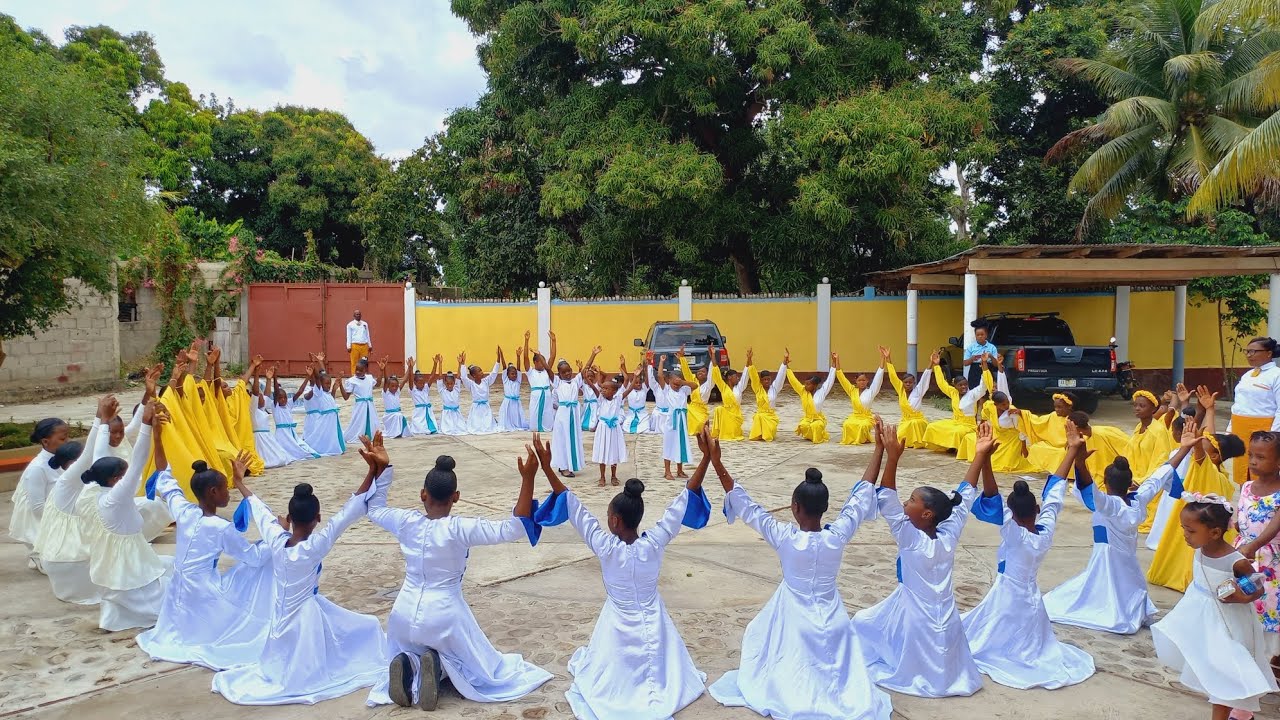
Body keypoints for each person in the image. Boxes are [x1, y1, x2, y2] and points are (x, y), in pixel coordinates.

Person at [708, 423, 892, 719]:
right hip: (833, 615)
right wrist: (880, 449)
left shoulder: (784, 537)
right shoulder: (837, 535)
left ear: (794, 507)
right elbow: (861, 497)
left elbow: (745, 505)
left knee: (767, 641)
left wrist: (717, 463)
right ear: (826, 507)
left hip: (794, 615)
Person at [362, 435, 551, 710]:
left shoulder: (406, 521)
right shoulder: (460, 528)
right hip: (444, 617)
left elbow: (374, 508)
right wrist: (528, 478)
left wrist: (384, 469)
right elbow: (514, 527)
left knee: (418, 643)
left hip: (401, 614)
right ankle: (436, 670)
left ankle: (413, 664)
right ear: (456, 497)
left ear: (422, 494)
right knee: (481, 664)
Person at [535, 425, 711, 720]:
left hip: (617, 624)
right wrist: (705, 459)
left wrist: (545, 467)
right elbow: (684, 500)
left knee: (610, 678)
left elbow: (571, 503)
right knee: (658, 671)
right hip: (655, 623)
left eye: (607, 517)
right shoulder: (654, 543)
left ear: (615, 521)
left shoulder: (606, 547)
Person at [211, 449, 386, 705]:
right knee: (368, 627)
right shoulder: (314, 547)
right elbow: (347, 513)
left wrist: (239, 481)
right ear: (317, 518)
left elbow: (259, 510)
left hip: (280, 618)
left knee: (350, 627)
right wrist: (372, 471)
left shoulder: (276, 541)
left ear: (289, 518)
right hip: (306, 617)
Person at [852, 419, 981, 698]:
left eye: (911, 501)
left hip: (917, 618)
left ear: (926, 515)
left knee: (862, 624)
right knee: (868, 621)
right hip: (946, 619)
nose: (905, 503)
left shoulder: (911, 539)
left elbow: (886, 497)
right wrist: (980, 454)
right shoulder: (947, 535)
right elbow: (965, 497)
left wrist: (892, 457)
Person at [962, 423, 1095, 689]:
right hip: (1031, 593)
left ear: (1011, 512)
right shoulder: (1043, 532)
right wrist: (1071, 451)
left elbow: (992, 497)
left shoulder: (1015, 535)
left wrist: (985, 459)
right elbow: (1054, 495)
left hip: (1009, 592)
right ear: (1036, 508)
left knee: (989, 635)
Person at [1044, 420, 1196, 634]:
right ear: (1130, 482)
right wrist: (1184, 448)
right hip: (1127, 557)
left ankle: (1116, 612)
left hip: (1105, 557)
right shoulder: (1139, 499)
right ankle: (1131, 610)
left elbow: (1088, 488)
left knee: (1100, 589)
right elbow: (1161, 475)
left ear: (1105, 482)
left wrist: (1078, 459)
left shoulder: (1109, 505)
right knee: (1130, 586)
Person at [136, 446, 275, 670]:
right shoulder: (221, 528)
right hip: (204, 591)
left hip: (177, 588)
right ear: (212, 492)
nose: (228, 493)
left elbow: (164, 475)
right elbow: (255, 558)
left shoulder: (183, 511)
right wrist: (278, 537)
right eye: (225, 489)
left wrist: (158, 435)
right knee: (262, 561)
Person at [1151, 495, 1279, 720]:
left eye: (1191, 531)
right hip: (1201, 619)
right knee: (1212, 670)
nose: (1185, 535)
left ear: (1215, 532)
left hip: (1229, 622)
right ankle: (1242, 713)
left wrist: (1241, 596)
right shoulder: (1200, 549)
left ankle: (1232, 712)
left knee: (1226, 676)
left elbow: (1257, 586)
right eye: (1184, 529)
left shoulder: (1235, 560)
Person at [83, 399, 172, 631]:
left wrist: (103, 421)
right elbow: (139, 463)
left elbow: (99, 454)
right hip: (130, 557)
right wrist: (146, 426)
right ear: (116, 480)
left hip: (118, 555)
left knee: (170, 566)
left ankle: (114, 616)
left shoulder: (96, 486)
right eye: (123, 474)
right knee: (159, 596)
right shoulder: (116, 497)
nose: (128, 475)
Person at [1149, 386, 1245, 592]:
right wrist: (1209, 411)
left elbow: (1204, 444)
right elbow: (1209, 439)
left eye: (1201, 447)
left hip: (1201, 524)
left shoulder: (1206, 468)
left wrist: (1197, 442)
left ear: (1215, 456)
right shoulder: (1218, 470)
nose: (1196, 448)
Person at [34, 401, 106, 605]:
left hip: (63, 560)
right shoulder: (67, 481)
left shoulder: (77, 481)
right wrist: (100, 419)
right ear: (73, 465)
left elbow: (97, 457)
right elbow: (92, 452)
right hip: (69, 560)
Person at [1234, 429, 1280, 684]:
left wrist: (1254, 545)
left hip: (1271, 563)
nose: (1252, 461)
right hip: (1244, 557)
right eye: (1251, 455)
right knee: (1245, 609)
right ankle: (1248, 663)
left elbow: (1275, 525)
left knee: (1269, 612)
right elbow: (1242, 516)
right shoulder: (1247, 487)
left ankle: (1269, 665)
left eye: (1261, 457)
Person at [10, 416, 69, 569]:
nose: (67, 442)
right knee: (58, 567)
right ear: (45, 442)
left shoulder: (63, 459)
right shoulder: (37, 468)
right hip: (40, 522)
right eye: (63, 438)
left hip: (56, 514)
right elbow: (37, 510)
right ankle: (36, 554)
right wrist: (64, 521)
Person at [1228, 337, 1280, 485]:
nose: (1249, 355)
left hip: (1264, 429)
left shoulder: (1277, 375)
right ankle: (1246, 501)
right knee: (1242, 468)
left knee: (1263, 467)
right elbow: (1239, 403)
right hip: (1240, 428)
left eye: (1253, 351)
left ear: (1268, 353)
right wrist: (1230, 428)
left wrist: (1273, 435)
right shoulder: (1247, 375)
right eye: (1247, 351)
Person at [923, 352, 991, 453]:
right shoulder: (953, 392)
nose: (964, 387)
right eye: (960, 385)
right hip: (955, 422)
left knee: (956, 432)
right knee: (932, 427)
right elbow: (941, 383)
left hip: (969, 425)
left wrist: (984, 365)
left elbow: (984, 385)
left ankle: (955, 448)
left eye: (965, 385)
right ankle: (948, 446)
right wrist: (936, 365)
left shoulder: (973, 394)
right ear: (955, 386)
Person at [1128, 389, 1175, 532]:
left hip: (1149, 480)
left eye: (1142, 406)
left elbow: (1160, 461)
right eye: (1136, 405)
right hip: (1134, 477)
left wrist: (1142, 481)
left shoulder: (1158, 431)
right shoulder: (1138, 427)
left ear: (1154, 409)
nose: (1137, 409)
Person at [551, 347, 601, 477]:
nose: (567, 374)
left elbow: (585, 368)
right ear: (559, 374)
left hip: (574, 413)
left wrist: (593, 354)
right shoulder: (557, 383)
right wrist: (550, 347)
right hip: (563, 414)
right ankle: (563, 466)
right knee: (563, 439)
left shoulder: (575, 382)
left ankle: (570, 464)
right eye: (564, 372)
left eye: (569, 371)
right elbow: (547, 369)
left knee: (572, 439)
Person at [589, 362, 633, 487]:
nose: (603, 390)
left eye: (606, 389)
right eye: (602, 388)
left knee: (614, 451)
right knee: (602, 451)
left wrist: (635, 377)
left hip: (614, 428)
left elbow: (628, 389)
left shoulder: (618, 399)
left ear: (614, 391)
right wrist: (591, 376)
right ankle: (602, 476)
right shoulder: (601, 398)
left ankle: (614, 475)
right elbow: (594, 386)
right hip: (603, 428)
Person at [834, 346, 887, 446]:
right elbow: (841, 377)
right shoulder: (852, 390)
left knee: (863, 426)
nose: (862, 382)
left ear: (867, 381)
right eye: (859, 380)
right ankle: (851, 439)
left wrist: (883, 358)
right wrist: (837, 360)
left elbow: (879, 375)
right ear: (856, 381)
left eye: (864, 380)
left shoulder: (871, 391)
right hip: (855, 416)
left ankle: (861, 439)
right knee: (847, 424)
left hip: (866, 417)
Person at [270, 368, 320, 462]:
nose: (283, 400)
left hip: (290, 431)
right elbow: (276, 391)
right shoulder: (275, 406)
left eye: (285, 397)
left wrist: (307, 376)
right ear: (276, 399)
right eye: (280, 398)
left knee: (300, 447)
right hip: (282, 434)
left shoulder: (288, 404)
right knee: (284, 449)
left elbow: (300, 391)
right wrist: (275, 376)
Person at [654, 356, 692, 480]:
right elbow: (660, 376)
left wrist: (683, 382)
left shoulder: (684, 390)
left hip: (682, 421)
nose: (676, 385)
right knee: (669, 444)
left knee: (680, 444)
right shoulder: (667, 390)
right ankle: (667, 471)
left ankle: (680, 470)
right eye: (674, 382)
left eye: (678, 383)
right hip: (671, 421)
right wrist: (661, 362)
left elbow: (695, 385)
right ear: (669, 380)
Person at [885, 350, 933, 448]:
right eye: (906, 382)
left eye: (910, 382)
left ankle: (917, 442)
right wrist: (888, 359)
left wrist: (931, 363)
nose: (908, 384)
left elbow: (925, 377)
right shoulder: (900, 389)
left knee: (914, 423)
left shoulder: (919, 390)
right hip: (905, 420)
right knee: (901, 435)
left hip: (918, 420)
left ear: (914, 383)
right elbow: (893, 376)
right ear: (902, 382)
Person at [248, 367, 294, 468]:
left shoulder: (262, 408)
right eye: (260, 397)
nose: (263, 399)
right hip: (259, 438)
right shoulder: (253, 409)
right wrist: (256, 374)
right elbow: (256, 393)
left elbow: (267, 395)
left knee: (282, 457)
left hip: (267, 436)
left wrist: (269, 379)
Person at [786, 356, 838, 444]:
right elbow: (793, 381)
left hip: (818, 419)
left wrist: (834, 363)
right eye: (805, 384)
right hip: (807, 418)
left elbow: (830, 380)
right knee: (803, 426)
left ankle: (819, 435)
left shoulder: (822, 392)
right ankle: (812, 435)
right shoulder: (802, 391)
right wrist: (786, 365)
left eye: (808, 384)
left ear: (814, 385)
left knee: (816, 425)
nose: (805, 386)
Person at [301, 357, 346, 457]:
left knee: (331, 435)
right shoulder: (319, 392)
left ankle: (335, 447)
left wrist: (334, 389)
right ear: (320, 385)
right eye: (326, 384)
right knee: (321, 436)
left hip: (333, 418)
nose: (328, 385)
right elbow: (318, 378)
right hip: (325, 419)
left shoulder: (327, 394)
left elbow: (324, 375)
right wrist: (315, 367)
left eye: (329, 383)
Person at [745, 348, 788, 442]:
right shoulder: (757, 389)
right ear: (761, 380)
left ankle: (767, 432)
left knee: (769, 434)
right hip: (761, 415)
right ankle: (759, 433)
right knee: (758, 416)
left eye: (768, 379)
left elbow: (780, 377)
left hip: (771, 417)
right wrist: (749, 359)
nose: (767, 381)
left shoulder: (775, 388)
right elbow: (753, 375)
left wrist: (785, 361)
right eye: (764, 379)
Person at [336, 357, 381, 444]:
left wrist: (381, 370)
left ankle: (369, 434)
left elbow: (378, 384)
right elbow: (346, 397)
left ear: (366, 370)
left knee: (371, 421)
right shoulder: (352, 381)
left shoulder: (369, 378)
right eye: (356, 369)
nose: (357, 372)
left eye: (360, 370)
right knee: (358, 422)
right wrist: (340, 384)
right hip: (360, 406)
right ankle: (357, 435)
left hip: (369, 405)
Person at [708, 355, 749, 442]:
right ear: (729, 377)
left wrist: (748, 360)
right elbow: (716, 375)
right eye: (736, 376)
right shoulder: (723, 387)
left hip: (736, 414)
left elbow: (745, 377)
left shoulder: (739, 388)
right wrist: (713, 356)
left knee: (735, 433)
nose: (738, 378)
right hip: (726, 413)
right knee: (719, 409)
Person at [523, 330, 558, 433]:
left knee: (547, 413)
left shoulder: (547, 371)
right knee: (535, 414)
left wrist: (554, 341)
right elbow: (525, 357)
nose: (543, 363)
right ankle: (535, 427)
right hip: (536, 396)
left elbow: (553, 356)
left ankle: (547, 426)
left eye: (544, 361)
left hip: (547, 395)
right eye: (540, 361)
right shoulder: (531, 372)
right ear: (535, 362)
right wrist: (526, 340)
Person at [459, 350, 501, 434]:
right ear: (474, 375)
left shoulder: (486, 381)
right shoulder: (471, 384)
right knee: (476, 425)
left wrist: (498, 360)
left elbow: (494, 373)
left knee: (487, 424)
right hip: (476, 408)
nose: (482, 372)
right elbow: (463, 377)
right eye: (480, 371)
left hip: (485, 406)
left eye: (481, 370)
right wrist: (462, 364)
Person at [678, 347, 713, 437]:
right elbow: (686, 371)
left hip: (701, 410)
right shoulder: (693, 381)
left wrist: (712, 357)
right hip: (692, 408)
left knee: (701, 423)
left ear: (707, 375)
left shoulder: (708, 385)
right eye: (699, 371)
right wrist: (682, 357)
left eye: (704, 372)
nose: (700, 373)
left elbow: (712, 373)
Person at [497, 346, 530, 432]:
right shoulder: (505, 380)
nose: (514, 375)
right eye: (512, 374)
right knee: (508, 416)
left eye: (515, 374)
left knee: (516, 415)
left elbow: (519, 369)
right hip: (508, 402)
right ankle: (508, 424)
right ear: (507, 375)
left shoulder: (518, 381)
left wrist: (518, 357)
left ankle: (517, 424)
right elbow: (504, 366)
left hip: (516, 402)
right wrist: (501, 355)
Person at [408, 355, 442, 436]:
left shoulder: (426, 388)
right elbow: (410, 379)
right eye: (420, 383)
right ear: (415, 383)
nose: (422, 385)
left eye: (423, 383)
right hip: (419, 412)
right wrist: (411, 368)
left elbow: (432, 376)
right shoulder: (413, 390)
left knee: (432, 426)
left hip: (428, 410)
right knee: (419, 427)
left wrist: (435, 364)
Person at [378, 357, 411, 439]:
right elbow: (386, 380)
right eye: (392, 386)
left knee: (399, 415)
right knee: (398, 416)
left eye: (396, 386)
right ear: (388, 386)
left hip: (397, 414)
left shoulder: (397, 392)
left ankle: (399, 432)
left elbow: (404, 380)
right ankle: (395, 433)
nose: (395, 388)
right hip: (389, 415)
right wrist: (384, 368)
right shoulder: (386, 393)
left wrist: (410, 368)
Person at [963, 321, 998, 391]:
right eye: (978, 335)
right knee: (975, 390)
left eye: (982, 334)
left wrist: (991, 356)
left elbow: (996, 364)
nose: (980, 336)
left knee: (988, 389)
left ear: (986, 335)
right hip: (975, 371)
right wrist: (972, 359)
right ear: (975, 336)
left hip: (988, 369)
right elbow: (965, 363)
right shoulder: (971, 347)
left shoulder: (992, 347)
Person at [436, 364, 467, 436]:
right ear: (444, 383)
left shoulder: (457, 389)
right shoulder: (442, 390)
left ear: (454, 383)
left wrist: (459, 364)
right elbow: (440, 377)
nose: (449, 385)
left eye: (451, 383)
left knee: (461, 428)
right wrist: (440, 363)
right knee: (448, 429)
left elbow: (458, 376)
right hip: (447, 414)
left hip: (456, 413)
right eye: (447, 384)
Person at [622, 361, 651, 435]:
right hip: (631, 414)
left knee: (645, 427)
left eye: (640, 383)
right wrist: (623, 364)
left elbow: (646, 379)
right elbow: (627, 378)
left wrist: (645, 368)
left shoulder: (644, 389)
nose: (638, 384)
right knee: (626, 427)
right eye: (636, 383)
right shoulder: (629, 389)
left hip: (642, 414)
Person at [346, 309, 372, 376]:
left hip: (364, 345)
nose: (358, 315)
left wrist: (370, 345)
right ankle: (354, 376)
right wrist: (348, 346)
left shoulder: (365, 324)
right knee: (354, 362)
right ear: (354, 315)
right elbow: (348, 336)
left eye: (359, 314)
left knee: (364, 361)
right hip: (355, 345)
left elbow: (367, 335)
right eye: (357, 314)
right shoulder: (350, 325)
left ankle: (364, 376)